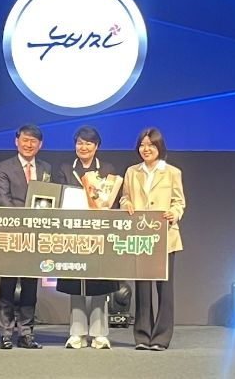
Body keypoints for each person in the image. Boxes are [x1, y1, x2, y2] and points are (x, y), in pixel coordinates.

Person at [119, 127, 186, 351]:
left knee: (165, 290)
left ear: (159, 147)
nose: (146, 149)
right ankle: (142, 335)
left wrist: (174, 213)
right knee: (142, 288)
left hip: (165, 236)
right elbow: (124, 197)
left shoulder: (172, 172)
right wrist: (126, 204)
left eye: (150, 145)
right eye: (142, 145)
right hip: (141, 237)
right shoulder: (132, 172)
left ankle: (161, 338)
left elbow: (179, 202)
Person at [56, 125, 120, 350]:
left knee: (99, 282)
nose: (83, 147)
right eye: (79, 143)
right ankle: (77, 333)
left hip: (99, 233)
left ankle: (99, 334)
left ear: (97, 146)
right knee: (75, 282)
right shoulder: (65, 168)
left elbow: (113, 200)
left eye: (88, 143)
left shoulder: (107, 169)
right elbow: (58, 197)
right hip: (73, 232)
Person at [0, 124, 51, 349]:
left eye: (33, 141)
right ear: (16, 141)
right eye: (25, 140)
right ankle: (6, 333)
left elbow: (49, 199)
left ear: (40, 145)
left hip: (36, 234)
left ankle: (26, 333)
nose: (29, 144)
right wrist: (23, 220)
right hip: (12, 233)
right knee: (7, 284)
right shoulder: (4, 167)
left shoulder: (46, 168)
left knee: (30, 285)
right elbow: (3, 199)